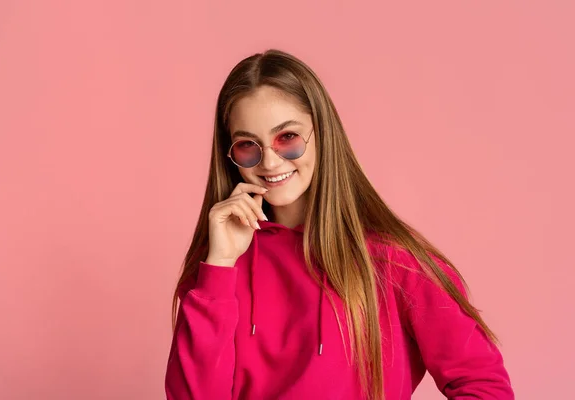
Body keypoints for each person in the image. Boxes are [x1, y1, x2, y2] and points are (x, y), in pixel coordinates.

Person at [164, 49, 514, 400]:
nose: (269, 162)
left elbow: (485, 387)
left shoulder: (393, 261)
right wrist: (220, 265)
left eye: (287, 137)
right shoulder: (217, 269)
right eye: (247, 145)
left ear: (322, 133)